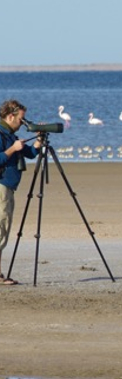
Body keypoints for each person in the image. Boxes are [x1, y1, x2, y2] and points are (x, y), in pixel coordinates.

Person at [0, 99, 42, 285]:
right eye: (21, 119)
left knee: (3, 228)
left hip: (8, 186)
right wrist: (12, 149)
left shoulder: (10, 135)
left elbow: (31, 153)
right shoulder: (2, 135)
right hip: (1, 186)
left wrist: (39, 139)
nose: (22, 124)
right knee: (1, 227)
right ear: (10, 116)